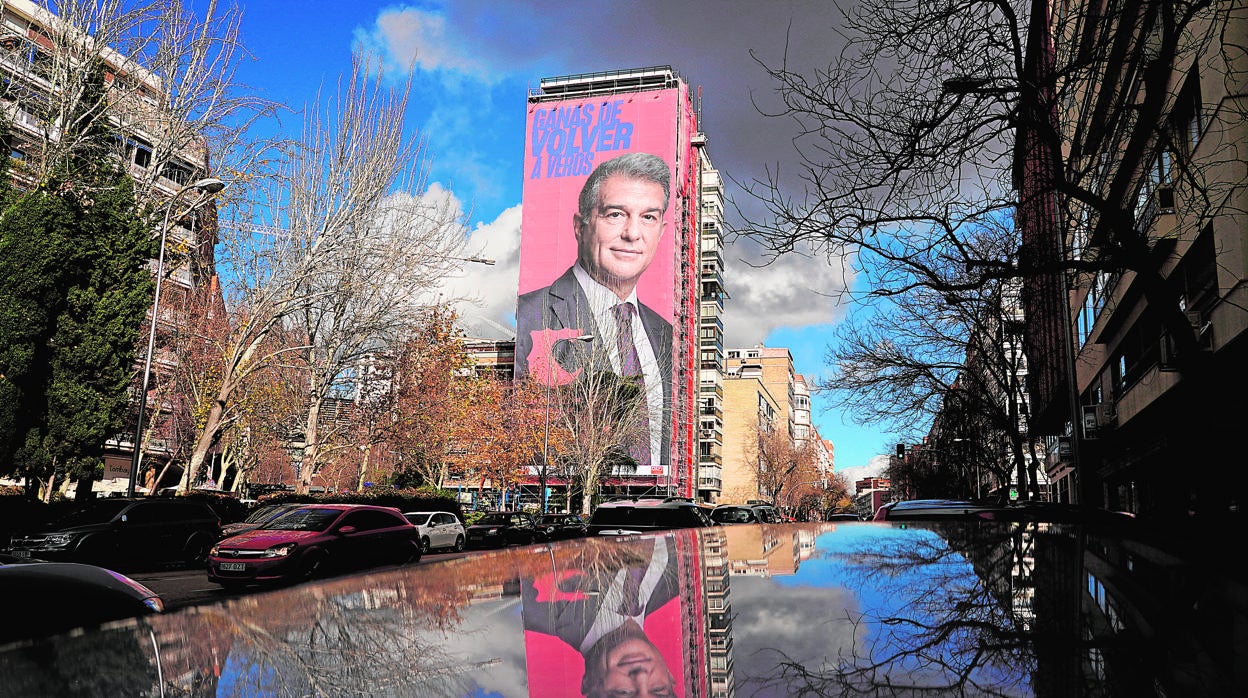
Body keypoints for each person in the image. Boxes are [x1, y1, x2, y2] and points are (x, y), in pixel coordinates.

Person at [515, 151, 673, 468]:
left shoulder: (665, 333)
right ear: (580, 226)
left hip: (655, 490)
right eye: (615, 214)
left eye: (648, 217)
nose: (632, 233)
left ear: (661, 232)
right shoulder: (533, 312)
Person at [520, 536, 681, 696]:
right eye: (658, 691)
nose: (641, 676)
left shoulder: (532, 607)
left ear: (588, 684)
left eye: (624, 693)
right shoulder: (679, 581)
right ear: (669, 676)